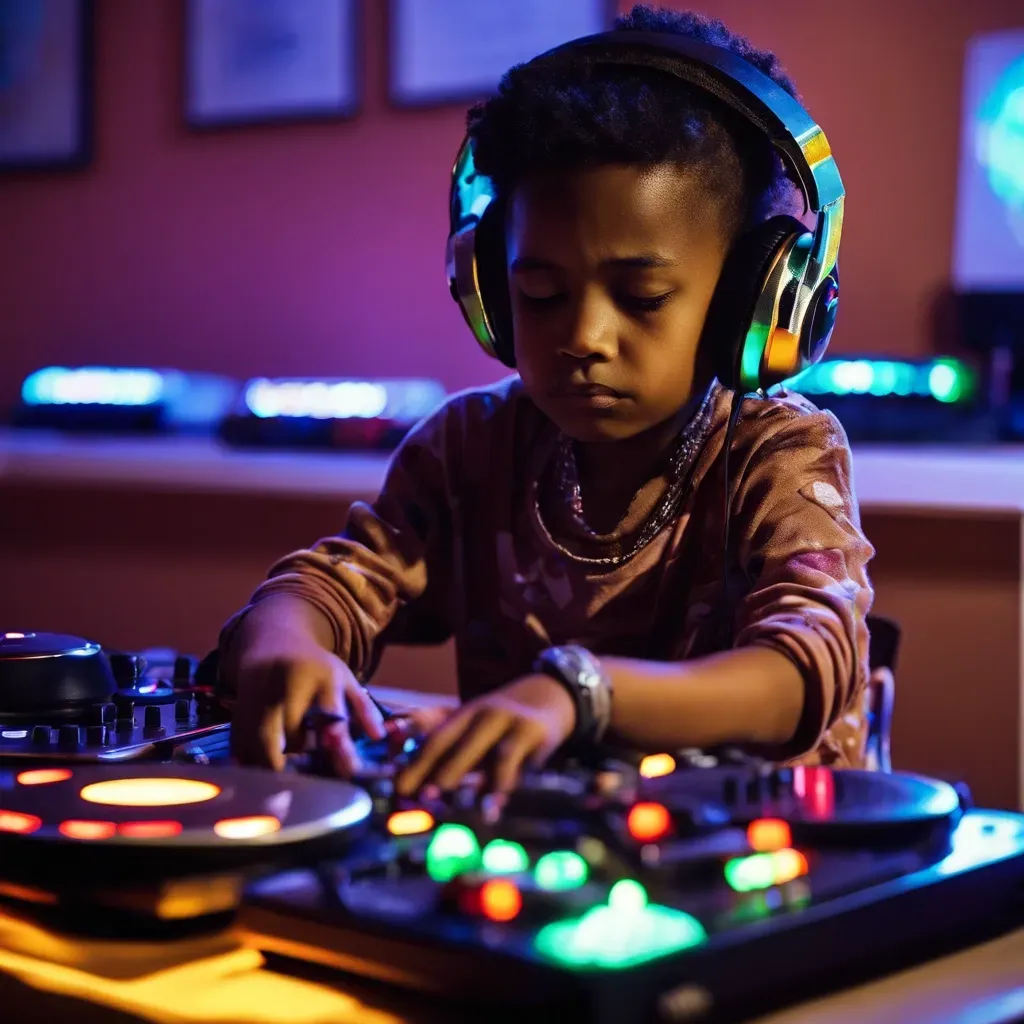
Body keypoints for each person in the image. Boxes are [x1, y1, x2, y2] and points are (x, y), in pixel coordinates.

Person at [220, 5, 874, 796]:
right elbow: (332, 586)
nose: (585, 336)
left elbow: (804, 670)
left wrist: (580, 692)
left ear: (757, 302)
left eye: (641, 297)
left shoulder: (776, 455)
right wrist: (287, 647)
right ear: (489, 289)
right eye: (540, 293)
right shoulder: (470, 449)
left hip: (763, 870)